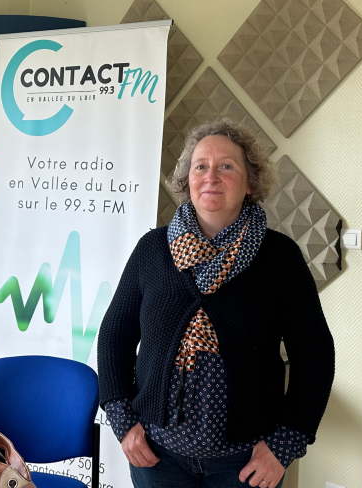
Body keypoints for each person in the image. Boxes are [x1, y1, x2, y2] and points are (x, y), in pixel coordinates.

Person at [97, 118, 335, 488]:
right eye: (200, 167)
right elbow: (115, 336)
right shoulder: (152, 250)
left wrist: (284, 445)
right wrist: (123, 421)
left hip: (245, 464)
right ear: (186, 180)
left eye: (226, 166)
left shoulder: (279, 257)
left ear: (249, 182)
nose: (211, 177)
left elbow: (314, 354)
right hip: (158, 459)